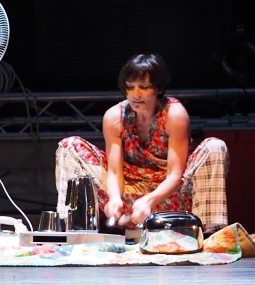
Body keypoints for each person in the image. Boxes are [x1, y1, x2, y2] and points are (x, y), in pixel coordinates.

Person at [55, 53, 229, 233]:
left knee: (214, 146)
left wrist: (149, 200)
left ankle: (210, 232)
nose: (136, 94)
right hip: (128, 197)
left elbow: (175, 175)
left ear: (158, 88)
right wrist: (114, 198)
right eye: (130, 87)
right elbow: (114, 172)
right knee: (70, 146)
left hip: (168, 198)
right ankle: (70, 228)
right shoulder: (114, 116)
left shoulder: (174, 114)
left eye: (144, 87)